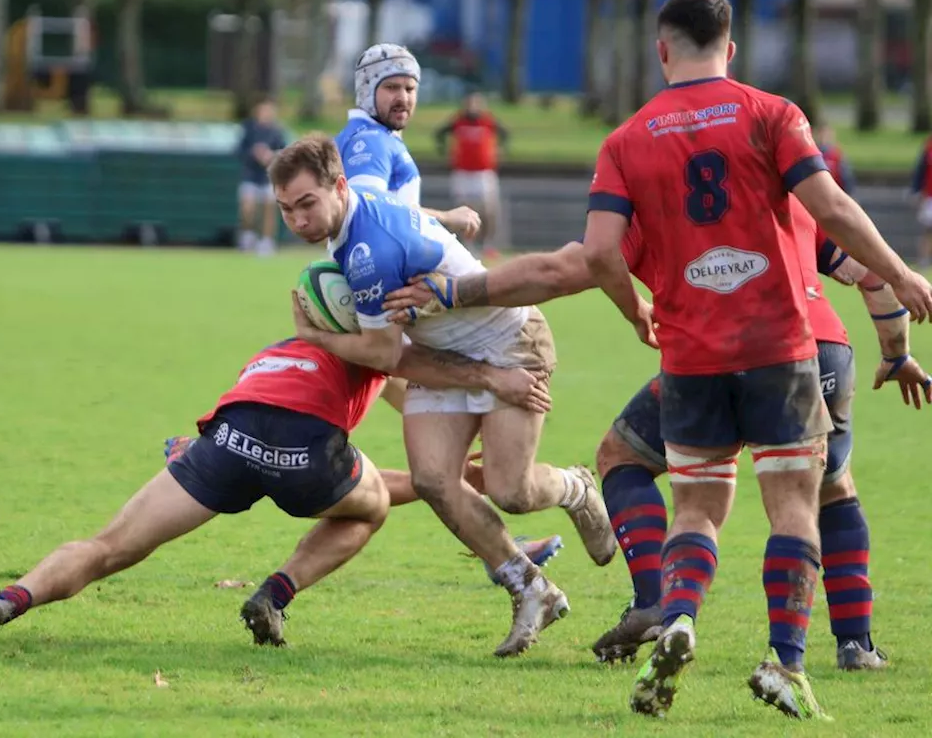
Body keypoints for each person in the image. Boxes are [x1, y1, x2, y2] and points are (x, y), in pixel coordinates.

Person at [382, 201, 931, 673]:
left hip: (714, 359)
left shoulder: (657, 198)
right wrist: (897, 352)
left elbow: (572, 266)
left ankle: (657, 601)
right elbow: (873, 273)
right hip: (821, 353)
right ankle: (852, 645)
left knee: (631, 460)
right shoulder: (783, 193)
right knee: (829, 489)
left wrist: (456, 290)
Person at [583, 0, 931, 719]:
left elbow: (598, 252)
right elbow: (829, 206)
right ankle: (786, 662)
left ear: (661, 49)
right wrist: (900, 271)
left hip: (690, 354)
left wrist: (633, 306)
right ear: (731, 47)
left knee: (698, 508)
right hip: (779, 345)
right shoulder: (771, 114)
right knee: (795, 505)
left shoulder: (626, 140)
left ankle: (678, 616)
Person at [0, 335, 558, 648]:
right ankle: (274, 594)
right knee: (377, 502)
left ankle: (7, 599)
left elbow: (254, 412)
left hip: (226, 438)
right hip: (304, 449)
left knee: (107, 546)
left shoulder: (283, 348)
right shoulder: (379, 345)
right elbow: (403, 436)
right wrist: (451, 475)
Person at [268, 134, 616, 659]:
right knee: (433, 479)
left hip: (509, 343)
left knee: (511, 491)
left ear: (338, 187)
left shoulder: (367, 252)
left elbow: (386, 357)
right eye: (286, 210)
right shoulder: (354, 213)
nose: (297, 221)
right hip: (447, 357)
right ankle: (530, 588)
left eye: (306, 204)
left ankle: (575, 488)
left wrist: (315, 335)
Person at [336, 44, 481, 240]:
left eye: (410, 88)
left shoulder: (379, 136)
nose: (403, 98)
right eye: (391, 87)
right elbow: (369, 213)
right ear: (367, 91)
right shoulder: (370, 140)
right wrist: (445, 217)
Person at [435, 91, 510, 257]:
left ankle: (488, 244)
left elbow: (504, 133)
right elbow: (440, 134)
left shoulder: (488, 121)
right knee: (464, 209)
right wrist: (444, 151)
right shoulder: (458, 122)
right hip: (462, 173)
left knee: (489, 209)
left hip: (484, 173)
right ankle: (466, 244)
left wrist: (500, 151)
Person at [236, 97, 288, 256]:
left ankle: (266, 241)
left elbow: (284, 153)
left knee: (269, 207)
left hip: (269, 177)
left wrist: (270, 156)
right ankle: (248, 235)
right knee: (247, 208)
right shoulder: (248, 129)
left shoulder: (277, 132)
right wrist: (254, 153)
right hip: (250, 176)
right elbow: (239, 151)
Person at [815, 123, 857, 196]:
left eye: (826, 135)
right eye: (821, 134)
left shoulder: (837, 155)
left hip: (835, 193)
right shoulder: (813, 154)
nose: (823, 138)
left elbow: (846, 177)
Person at [913, 136, 932, 269]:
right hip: (930, 195)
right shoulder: (929, 146)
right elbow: (920, 170)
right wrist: (917, 191)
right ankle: (923, 260)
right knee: (928, 230)